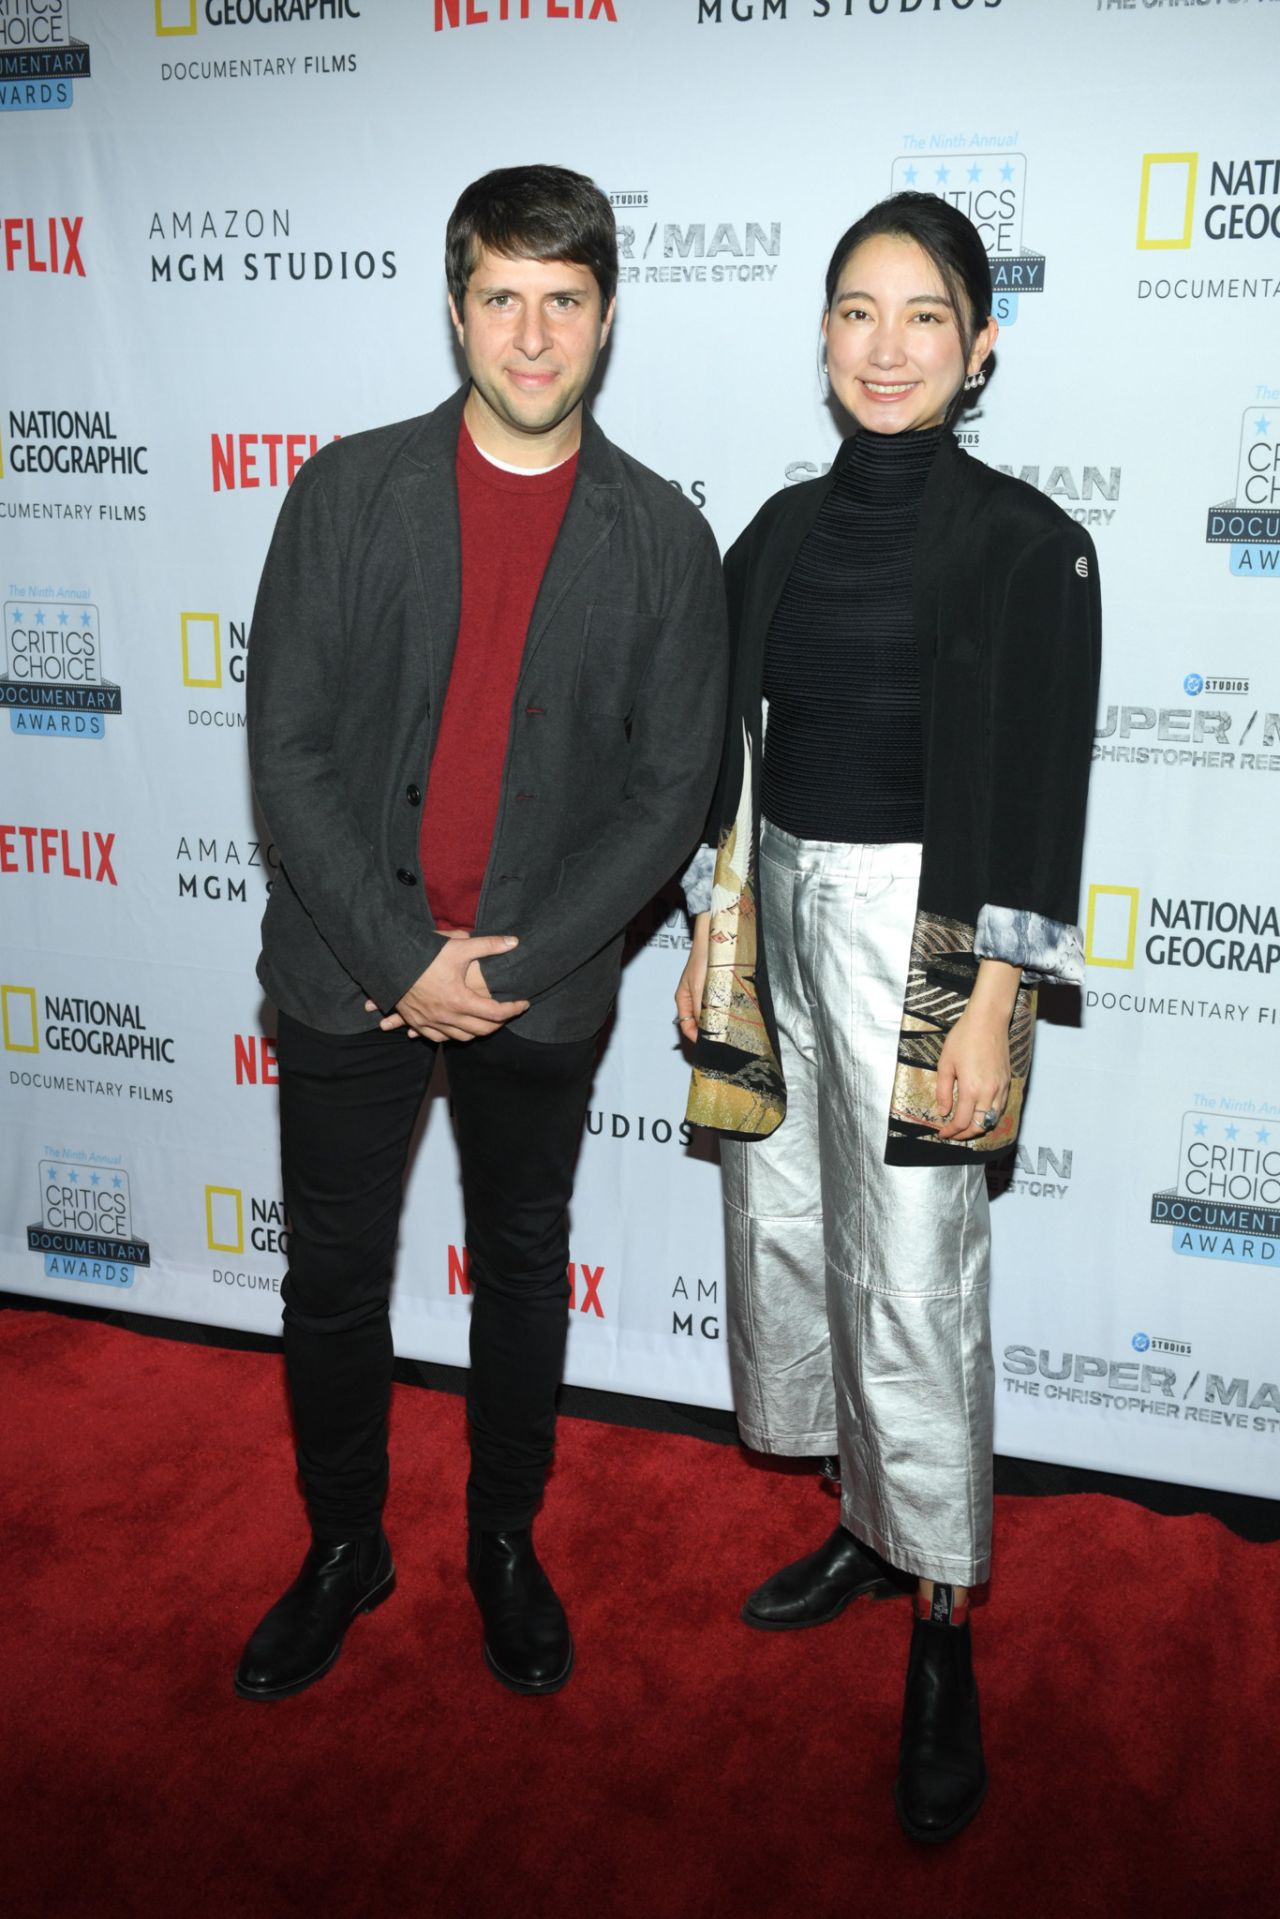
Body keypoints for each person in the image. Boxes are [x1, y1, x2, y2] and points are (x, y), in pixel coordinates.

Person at [239, 164, 727, 1703]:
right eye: (502, 297)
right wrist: (402, 960)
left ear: (605, 320)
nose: (532, 335)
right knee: (332, 1275)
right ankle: (342, 1548)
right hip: (346, 971)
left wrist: (499, 972)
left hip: (543, 989)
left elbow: (671, 795)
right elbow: (289, 750)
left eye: (563, 301)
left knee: (522, 1266)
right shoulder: (344, 492)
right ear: (457, 310)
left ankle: (502, 1544)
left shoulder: (663, 537)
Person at [676, 192, 1100, 1842]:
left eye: (925, 315)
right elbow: (723, 755)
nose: (888, 344)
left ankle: (945, 1621)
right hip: (776, 912)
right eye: (859, 310)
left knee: (916, 1272)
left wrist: (993, 1004)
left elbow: (1041, 797)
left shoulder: (1027, 541)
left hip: (932, 941)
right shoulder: (773, 532)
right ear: (826, 337)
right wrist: (717, 925)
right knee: (792, 1226)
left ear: (980, 346)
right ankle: (867, 1518)